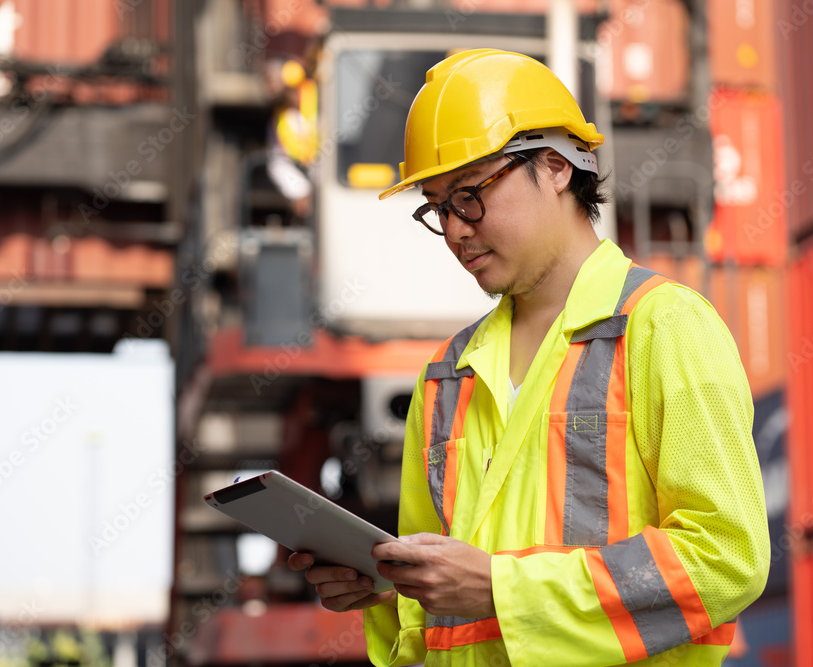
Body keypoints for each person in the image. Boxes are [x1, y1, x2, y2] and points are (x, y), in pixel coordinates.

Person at [288, 49, 769, 666]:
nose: (456, 229)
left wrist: (500, 589)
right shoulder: (446, 377)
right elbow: (446, 615)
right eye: (436, 207)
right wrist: (383, 589)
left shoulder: (663, 328)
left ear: (555, 166)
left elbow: (727, 560)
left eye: (469, 195)